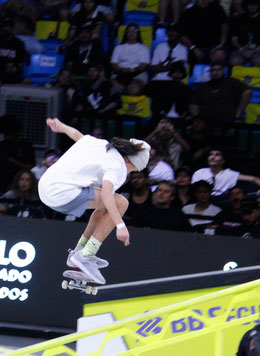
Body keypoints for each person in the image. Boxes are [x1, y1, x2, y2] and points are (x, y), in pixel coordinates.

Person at [39, 118, 150, 284]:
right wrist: (120, 225)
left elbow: (77, 135)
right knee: (121, 203)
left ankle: (79, 251)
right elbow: (106, 194)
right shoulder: (118, 166)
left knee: (106, 207)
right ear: (131, 161)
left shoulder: (101, 144)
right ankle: (86, 255)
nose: (130, 172)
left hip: (45, 186)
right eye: (133, 170)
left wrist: (61, 126)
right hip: (62, 193)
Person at [192, 147, 260, 196]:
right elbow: (193, 190)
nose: (213, 157)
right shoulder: (199, 173)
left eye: (217, 155)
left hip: (222, 202)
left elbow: (254, 179)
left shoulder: (229, 174)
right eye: (211, 154)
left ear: (223, 161)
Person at [177, 0, 229, 65]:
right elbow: (182, 34)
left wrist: (222, 43)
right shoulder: (188, 13)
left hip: (216, 47)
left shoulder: (217, 8)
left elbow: (224, 24)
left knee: (219, 54)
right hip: (196, 48)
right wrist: (193, 48)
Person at [229, 0, 260, 67]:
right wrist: (242, 49)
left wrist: (253, 51)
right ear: (246, 6)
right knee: (235, 61)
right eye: (250, 5)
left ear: (258, 6)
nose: (252, 7)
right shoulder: (239, 19)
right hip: (241, 49)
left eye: (255, 5)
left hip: (259, 50)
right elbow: (234, 39)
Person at [109, 24, 150, 91]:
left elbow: (143, 65)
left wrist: (132, 70)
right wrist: (121, 70)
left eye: (134, 31)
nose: (131, 33)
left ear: (138, 33)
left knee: (134, 88)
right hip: (120, 72)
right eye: (129, 31)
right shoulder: (118, 48)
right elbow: (113, 64)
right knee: (115, 87)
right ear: (126, 33)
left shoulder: (143, 48)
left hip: (137, 74)